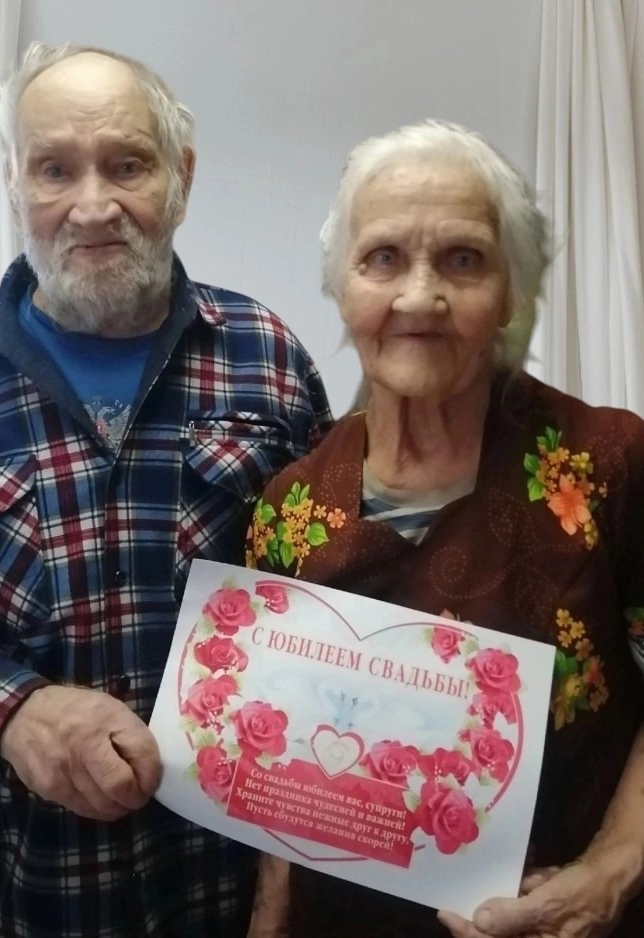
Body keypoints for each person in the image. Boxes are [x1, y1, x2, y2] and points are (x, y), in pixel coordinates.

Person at [0, 41, 332, 938]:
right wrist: (12, 709)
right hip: (25, 902)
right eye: (54, 169)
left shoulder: (269, 361)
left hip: (228, 898)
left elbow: (329, 604)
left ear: (182, 177)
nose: (93, 205)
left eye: (127, 164)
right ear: (15, 184)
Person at [246, 120, 644, 937]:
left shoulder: (608, 463)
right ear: (342, 288)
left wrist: (612, 869)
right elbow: (279, 768)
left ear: (510, 293)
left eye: (463, 260)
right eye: (383, 258)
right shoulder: (290, 507)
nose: (420, 298)